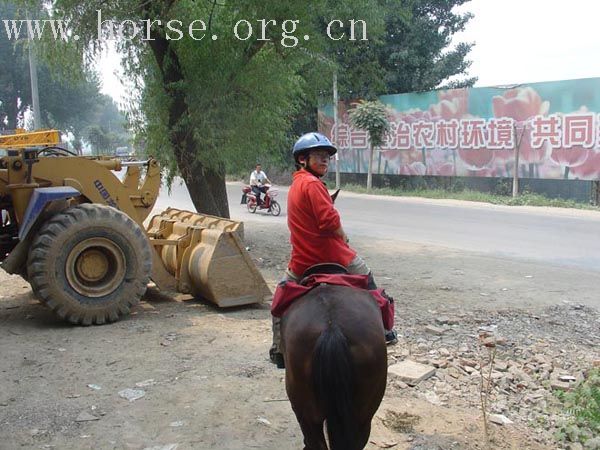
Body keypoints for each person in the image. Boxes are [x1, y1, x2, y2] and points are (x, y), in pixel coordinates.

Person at [269, 132, 398, 368]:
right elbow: (328, 220)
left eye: (327, 156)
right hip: (333, 254)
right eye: (318, 156)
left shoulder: (296, 184)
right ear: (302, 160)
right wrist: (343, 236)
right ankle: (387, 330)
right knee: (367, 275)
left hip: (301, 261)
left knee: (280, 298)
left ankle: (278, 348)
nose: (324, 160)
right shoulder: (313, 184)